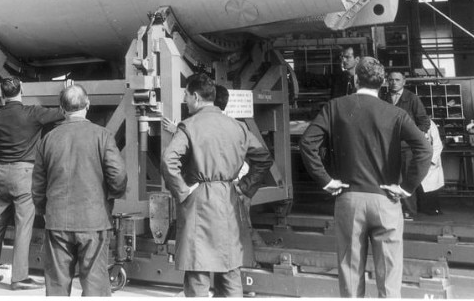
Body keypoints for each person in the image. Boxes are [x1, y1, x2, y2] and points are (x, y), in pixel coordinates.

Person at [300, 57, 431, 298]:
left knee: (350, 272)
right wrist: (406, 187)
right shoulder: (396, 113)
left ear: (355, 79)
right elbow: (424, 149)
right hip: (386, 199)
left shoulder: (335, 107)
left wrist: (326, 180)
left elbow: (307, 143)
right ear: (382, 83)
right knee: (390, 275)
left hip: (349, 199)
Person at [161, 73, 273, 298]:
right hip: (230, 199)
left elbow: (168, 160)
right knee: (230, 268)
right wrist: (244, 186)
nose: (185, 101)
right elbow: (263, 158)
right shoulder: (238, 127)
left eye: (186, 96)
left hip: (199, 200)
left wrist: (183, 191)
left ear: (195, 96)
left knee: (197, 271)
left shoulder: (189, 126)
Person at [32, 84, 127, 296]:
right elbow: (118, 175)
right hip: (93, 219)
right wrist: (110, 197)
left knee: (56, 285)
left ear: (62, 109)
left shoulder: (48, 139)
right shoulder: (102, 136)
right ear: (88, 105)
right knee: (94, 284)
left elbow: (37, 184)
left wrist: (43, 211)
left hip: (57, 220)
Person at [0, 77, 62, 290]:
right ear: (21, 90)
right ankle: (18, 278)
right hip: (23, 173)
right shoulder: (32, 113)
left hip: (1, 172)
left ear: (2, 94)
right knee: (23, 226)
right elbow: (62, 113)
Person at [379, 70, 430, 220]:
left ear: (404, 81)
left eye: (397, 79)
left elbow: (424, 121)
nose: (394, 82)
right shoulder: (383, 98)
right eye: (391, 80)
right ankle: (392, 210)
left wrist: (414, 138)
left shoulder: (412, 99)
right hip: (388, 147)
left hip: (406, 148)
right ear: (387, 81)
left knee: (406, 179)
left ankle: (409, 211)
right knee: (389, 178)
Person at [417, 121, 444, 215]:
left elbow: (438, 145)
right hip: (417, 157)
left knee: (431, 185)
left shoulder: (430, 124)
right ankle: (422, 208)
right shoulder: (409, 122)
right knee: (420, 185)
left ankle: (433, 209)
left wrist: (432, 160)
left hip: (431, 158)